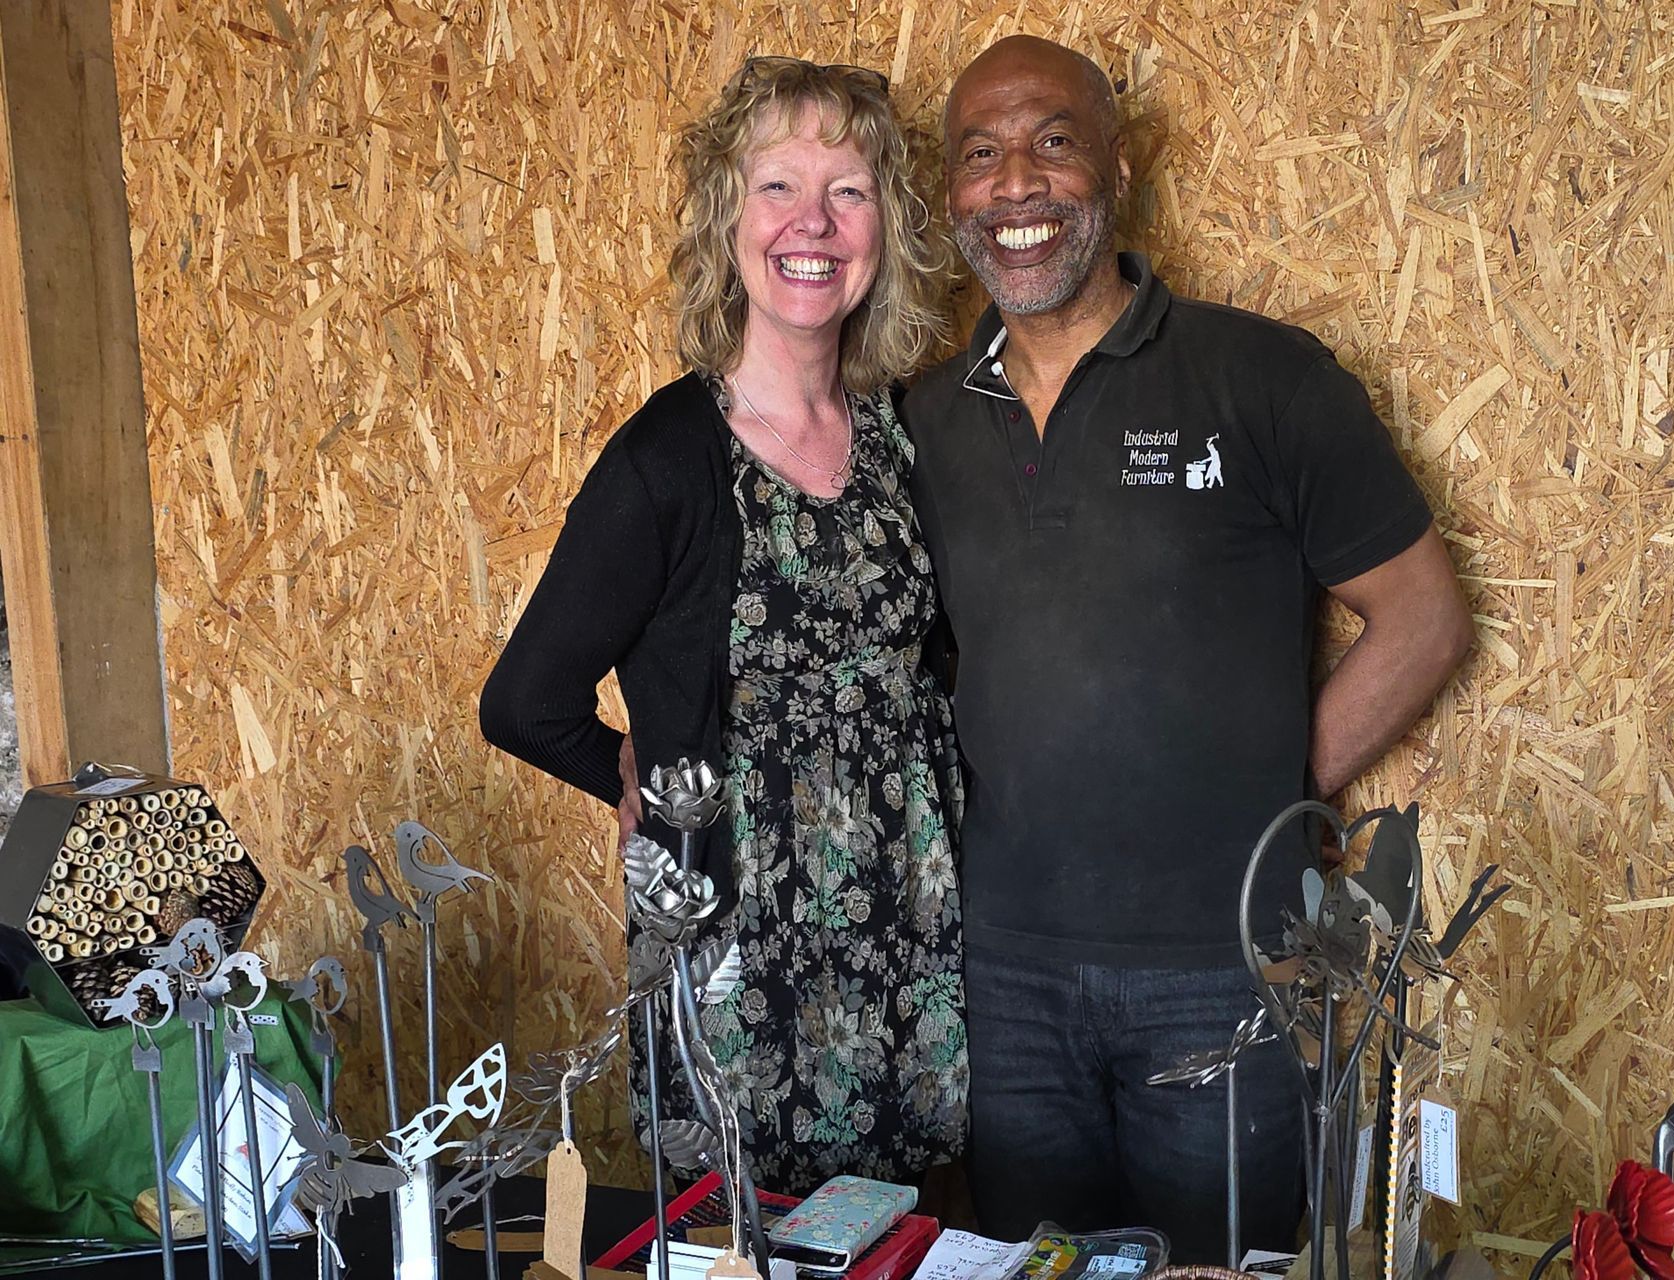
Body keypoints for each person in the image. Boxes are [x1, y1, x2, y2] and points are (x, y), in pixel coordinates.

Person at [902, 35, 1474, 1259]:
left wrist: (1276, 782)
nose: (1016, 184)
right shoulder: (924, 420)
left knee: (1224, 1265)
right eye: (980, 154)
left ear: (1118, 166)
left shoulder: (1260, 377)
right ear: (948, 192)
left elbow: (1425, 615)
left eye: (1054, 141)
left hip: (1226, 973)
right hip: (1002, 979)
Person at [479, 57, 967, 1194]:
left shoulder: (907, 434)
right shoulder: (666, 457)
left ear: (886, 228)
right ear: (726, 220)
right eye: (777, 186)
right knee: (751, 1233)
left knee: (909, 1232)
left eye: (848, 191)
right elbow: (523, 702)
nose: (813, 223)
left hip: (911, 929)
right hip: (739, 946)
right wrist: (631, 771)